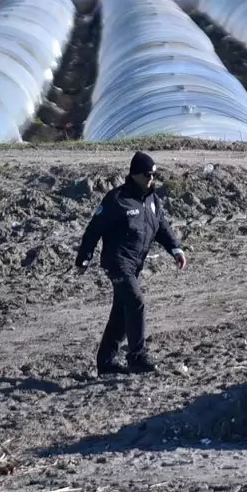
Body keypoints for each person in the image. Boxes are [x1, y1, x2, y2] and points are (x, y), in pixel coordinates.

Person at [75, 151, 187, 375]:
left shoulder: (152, 200)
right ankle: (136, 356)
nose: (151, 179)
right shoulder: (117, 199)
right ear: (135, 174)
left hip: (135, 263)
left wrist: (175, 249)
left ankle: (106, 363)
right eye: (147, 175)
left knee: (121, 312)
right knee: (136, 301)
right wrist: (84, 258)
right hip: (116, 262)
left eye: (154, 175)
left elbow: (161, 228)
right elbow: (94, 229)